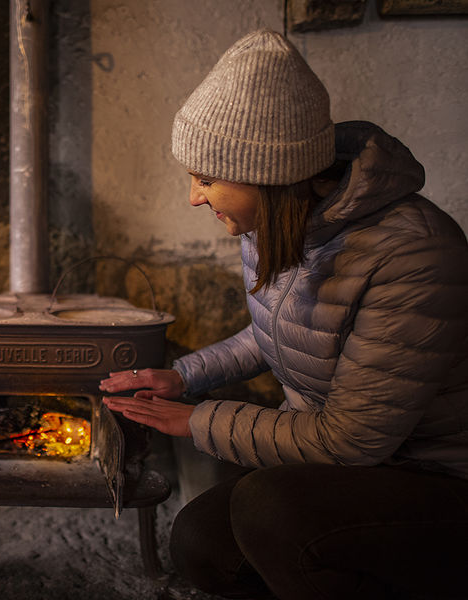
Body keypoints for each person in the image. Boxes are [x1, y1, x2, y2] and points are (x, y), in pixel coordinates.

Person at [100, 29, 468, 600]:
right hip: (357, 463)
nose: (194, 198)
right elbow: (278, 331)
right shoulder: (275, 224)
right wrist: (184, 377)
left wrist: (193, 421)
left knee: (268, 509)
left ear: (267, 177)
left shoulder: (413, 254)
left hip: (437, 479)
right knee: (202, 544)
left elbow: (351, 440)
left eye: (206, 180)